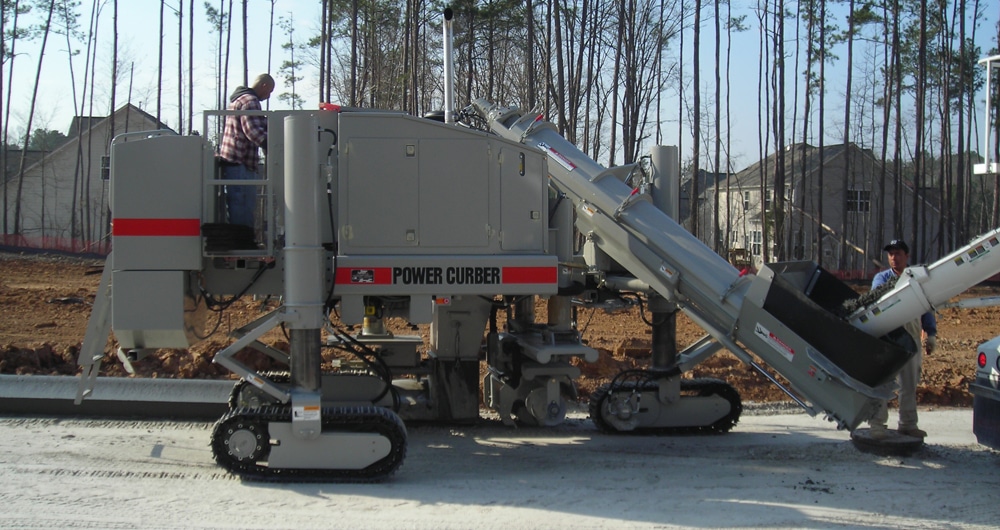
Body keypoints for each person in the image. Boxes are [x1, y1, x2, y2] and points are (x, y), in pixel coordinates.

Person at [868, 239, 937, 440]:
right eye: (890, 254)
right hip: (888, 338)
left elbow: (926, 307)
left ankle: (908, 424)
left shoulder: (915, 278)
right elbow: (876, 301)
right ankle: (877, 425)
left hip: (912, 337)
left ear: (906, 256)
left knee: (909, 384)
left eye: (897, 253)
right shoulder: (881, 279)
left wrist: (930, 334)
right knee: (882, 383)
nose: (893, 257)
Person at [218, 73, 274, 229]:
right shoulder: (251, 101)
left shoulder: (238, 99)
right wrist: (276, 147)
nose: (268, 96)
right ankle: (243, 245)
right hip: (241, 161)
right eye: (269, 91)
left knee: (238, 204)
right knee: (243, 205)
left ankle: (241, 244)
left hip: (234, 161)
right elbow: (254, 132)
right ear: (264, 86)